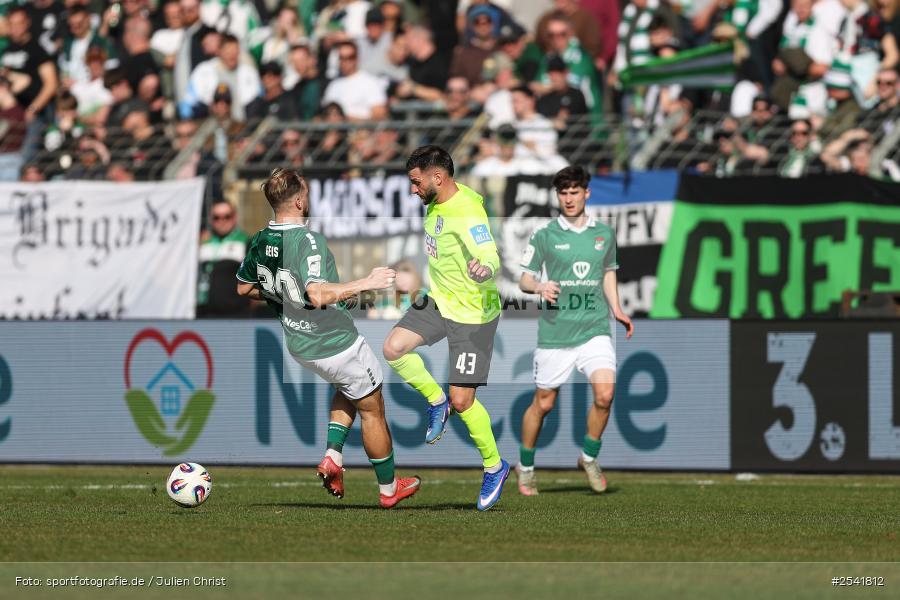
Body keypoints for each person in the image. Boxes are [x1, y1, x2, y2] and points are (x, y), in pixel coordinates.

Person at [236, 168, 421, 508]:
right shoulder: (308, 240)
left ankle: (333, 457)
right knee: (373, 408)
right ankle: (389, 489)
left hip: (299, 343)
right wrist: (366, 282)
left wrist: (290, 297)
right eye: (306, 192)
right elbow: (317, 294)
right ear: (299, 201)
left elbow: (244, 288)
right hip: (334, 340)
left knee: (349, 387)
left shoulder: (260, 239)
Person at [382, 145, 511, 512]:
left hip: (473, 316)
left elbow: (489, 253)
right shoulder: (439, 201)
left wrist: (485, 268)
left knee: (464, 401)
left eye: (416, 182)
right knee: (393, 348)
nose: (413, 190)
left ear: (437, 178)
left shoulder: (466, 211)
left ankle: (495, 467)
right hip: (440, 300)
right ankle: (436, 401)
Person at [515, 166, 634, 496]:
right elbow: (524, 279)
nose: (569, 199)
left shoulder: (604, 234)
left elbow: (608, 273)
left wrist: (617, 309)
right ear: (558, 196)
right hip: (556, 331)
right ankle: (526, 466)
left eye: (574, 192)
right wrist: (539, 286)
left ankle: (589, 456)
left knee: (605, 395)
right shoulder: (545, 234)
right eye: (563, 193)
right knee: (543, 404)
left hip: (595, 327)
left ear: (586, 193)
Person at [198, 201, 250, 317]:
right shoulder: (203, 242)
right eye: (216, 217)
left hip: (236, 313)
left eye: (227, 216)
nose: (221, 221)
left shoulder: (245, 242)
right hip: (204, 312)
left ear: (234, 217)